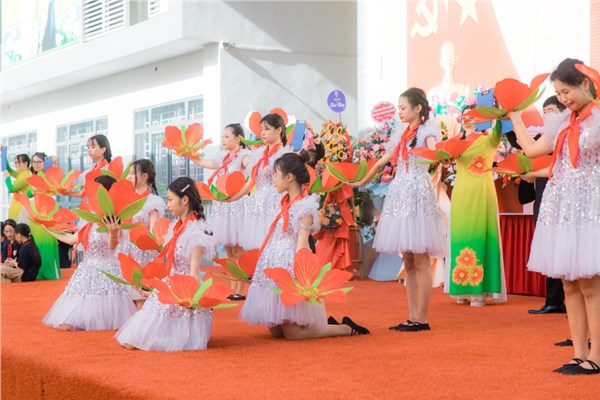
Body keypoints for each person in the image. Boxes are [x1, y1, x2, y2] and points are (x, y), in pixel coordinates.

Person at [509, 58, 600, 375]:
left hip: (589, 209)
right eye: (559, 94)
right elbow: (532, 150)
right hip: (561, 209)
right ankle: (579, 353)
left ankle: (596, 356)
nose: (563, 99)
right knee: (569, 283)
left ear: (585, 84)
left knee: (590, 285)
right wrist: (515, 117)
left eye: (566, 92)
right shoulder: (562, 123)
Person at [240, 153, 369, 339]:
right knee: (277, 333)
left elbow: (301, 245)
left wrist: (299, 278)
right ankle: (330, 325)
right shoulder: (283, 204)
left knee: (293, 335)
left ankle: (346, 329)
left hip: (289, 267)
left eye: (276, 174)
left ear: (289, 177)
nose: (273, 179)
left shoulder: (304, 208)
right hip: (273, 267)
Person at [349, 88, 446, 331]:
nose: (399, 112)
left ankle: (422, 318)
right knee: (409, 260)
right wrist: (360, 182)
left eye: (403, 108)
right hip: (400, 195)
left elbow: (434, 151)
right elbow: (382, 162)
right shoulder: (402, 133)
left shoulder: (427, 130)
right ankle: (412, 317)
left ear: (418, 108)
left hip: (417, 195)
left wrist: (442, 155)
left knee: (421, 258)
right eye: (399, 108)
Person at [115, 177, 215, 351]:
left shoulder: (196, 234)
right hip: (169, 286)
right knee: (132, 340)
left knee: (138, 341)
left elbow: (193, 275)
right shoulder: (175, 229)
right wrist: (155, 290)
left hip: (183, 293)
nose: (168, 205)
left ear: (185, 200)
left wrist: (186, 299)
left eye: (170, 199)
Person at [42, 175, 137, 331]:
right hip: (87, 270)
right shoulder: (91, 220)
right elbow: (72, 239)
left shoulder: (114, 220)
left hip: (106, 271)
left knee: (100, 308)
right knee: (70, 318)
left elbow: (112, 246)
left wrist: (114, 233)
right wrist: (47, 228)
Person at [445, 105, 507, 307]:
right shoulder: (456, 143)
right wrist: (444, 158)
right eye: (465, 116)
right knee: (461, 235)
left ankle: (480, 291)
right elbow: (444, 160)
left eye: (473, 117)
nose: (468, 120)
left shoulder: (489, 140)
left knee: (480, 235)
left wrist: (496, 110)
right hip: (461, 192)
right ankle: (462, 289)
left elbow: (500, 126)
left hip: (482, 192)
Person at [516, 96, 567, 315]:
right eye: (544, 111)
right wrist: (513, 118)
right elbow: (525, 149)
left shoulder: (570, 133)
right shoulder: (542, 137)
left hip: (567, 200)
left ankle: (565, 302)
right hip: (544, 200)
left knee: (566, 251)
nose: (547, 115)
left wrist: (534, 173)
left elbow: (563, 167)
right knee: (550, 250)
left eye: (551, 110)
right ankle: (554, 301)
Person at [193, 123, 250, 300]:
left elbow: (252, 168)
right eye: (222, 136)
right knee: (230, 251)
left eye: (227, 136)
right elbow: (203, 162)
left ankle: (241, 290)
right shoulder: (222, 158)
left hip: (237, 206)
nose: (223, 140)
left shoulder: (243, 156)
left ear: (238, 138)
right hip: (223, 207)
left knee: (238, 251)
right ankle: (234, 288)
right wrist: (190, 154)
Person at [229, 114, 291, 250]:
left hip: (276, 202)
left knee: (274, 246)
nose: (262, 133)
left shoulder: (285, 155)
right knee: (257, 248)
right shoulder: (258, 154)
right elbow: (251, 182)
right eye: (261, 129)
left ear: (279, 130)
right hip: (258, 203)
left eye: (267, 129)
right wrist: (233, 198)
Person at [115, 159, 165, 308]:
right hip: (126, 250)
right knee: (127, 297)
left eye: (132, 173)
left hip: (143, 252)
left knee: (140, 296)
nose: (129, 177)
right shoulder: (126, 199)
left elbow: (154, 230)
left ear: (144, 176)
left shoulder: (152, 201)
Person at [29, 152, 62, 281]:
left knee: (48, 238)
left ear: (45, 162)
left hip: (48, 208)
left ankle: (48, 270)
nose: (36, 164)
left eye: (39, 161)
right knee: (36, 240)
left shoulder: (49, 175)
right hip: (35, 208)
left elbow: (56, 187)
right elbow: (29, 193)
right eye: (34, 162)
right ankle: (38, 270)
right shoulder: (34, 176)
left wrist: (55, 164)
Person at [3, 153, 32, 223]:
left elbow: (11, 189)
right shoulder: (22, 173)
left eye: (18, 162)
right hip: (17, 204)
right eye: (15, 163)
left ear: (25, 163)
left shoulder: (25, 175)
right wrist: (3, 153)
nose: (16, 165)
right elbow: (10, 170)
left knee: (16, 225)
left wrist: (7, 178)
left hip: (20, 206)